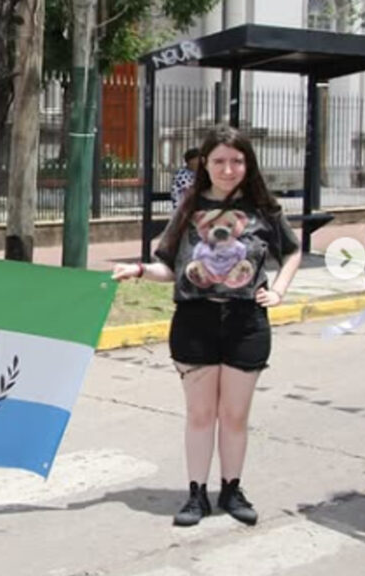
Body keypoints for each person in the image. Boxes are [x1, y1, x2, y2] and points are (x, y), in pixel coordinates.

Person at [113, 126, 302, 528]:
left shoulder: (263, 209)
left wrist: (279, 291)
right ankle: (196, 494)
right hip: (194, 322)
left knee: (234, 415)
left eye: (236, 161)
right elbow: (169, 267)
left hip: (246, 323)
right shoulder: (188, 208)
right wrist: (139, 270)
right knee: (200, 414)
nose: (228, 169)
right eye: (219, 161)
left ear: (247, 163)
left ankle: (231, 490)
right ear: (206, 164)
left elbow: (292, 251)